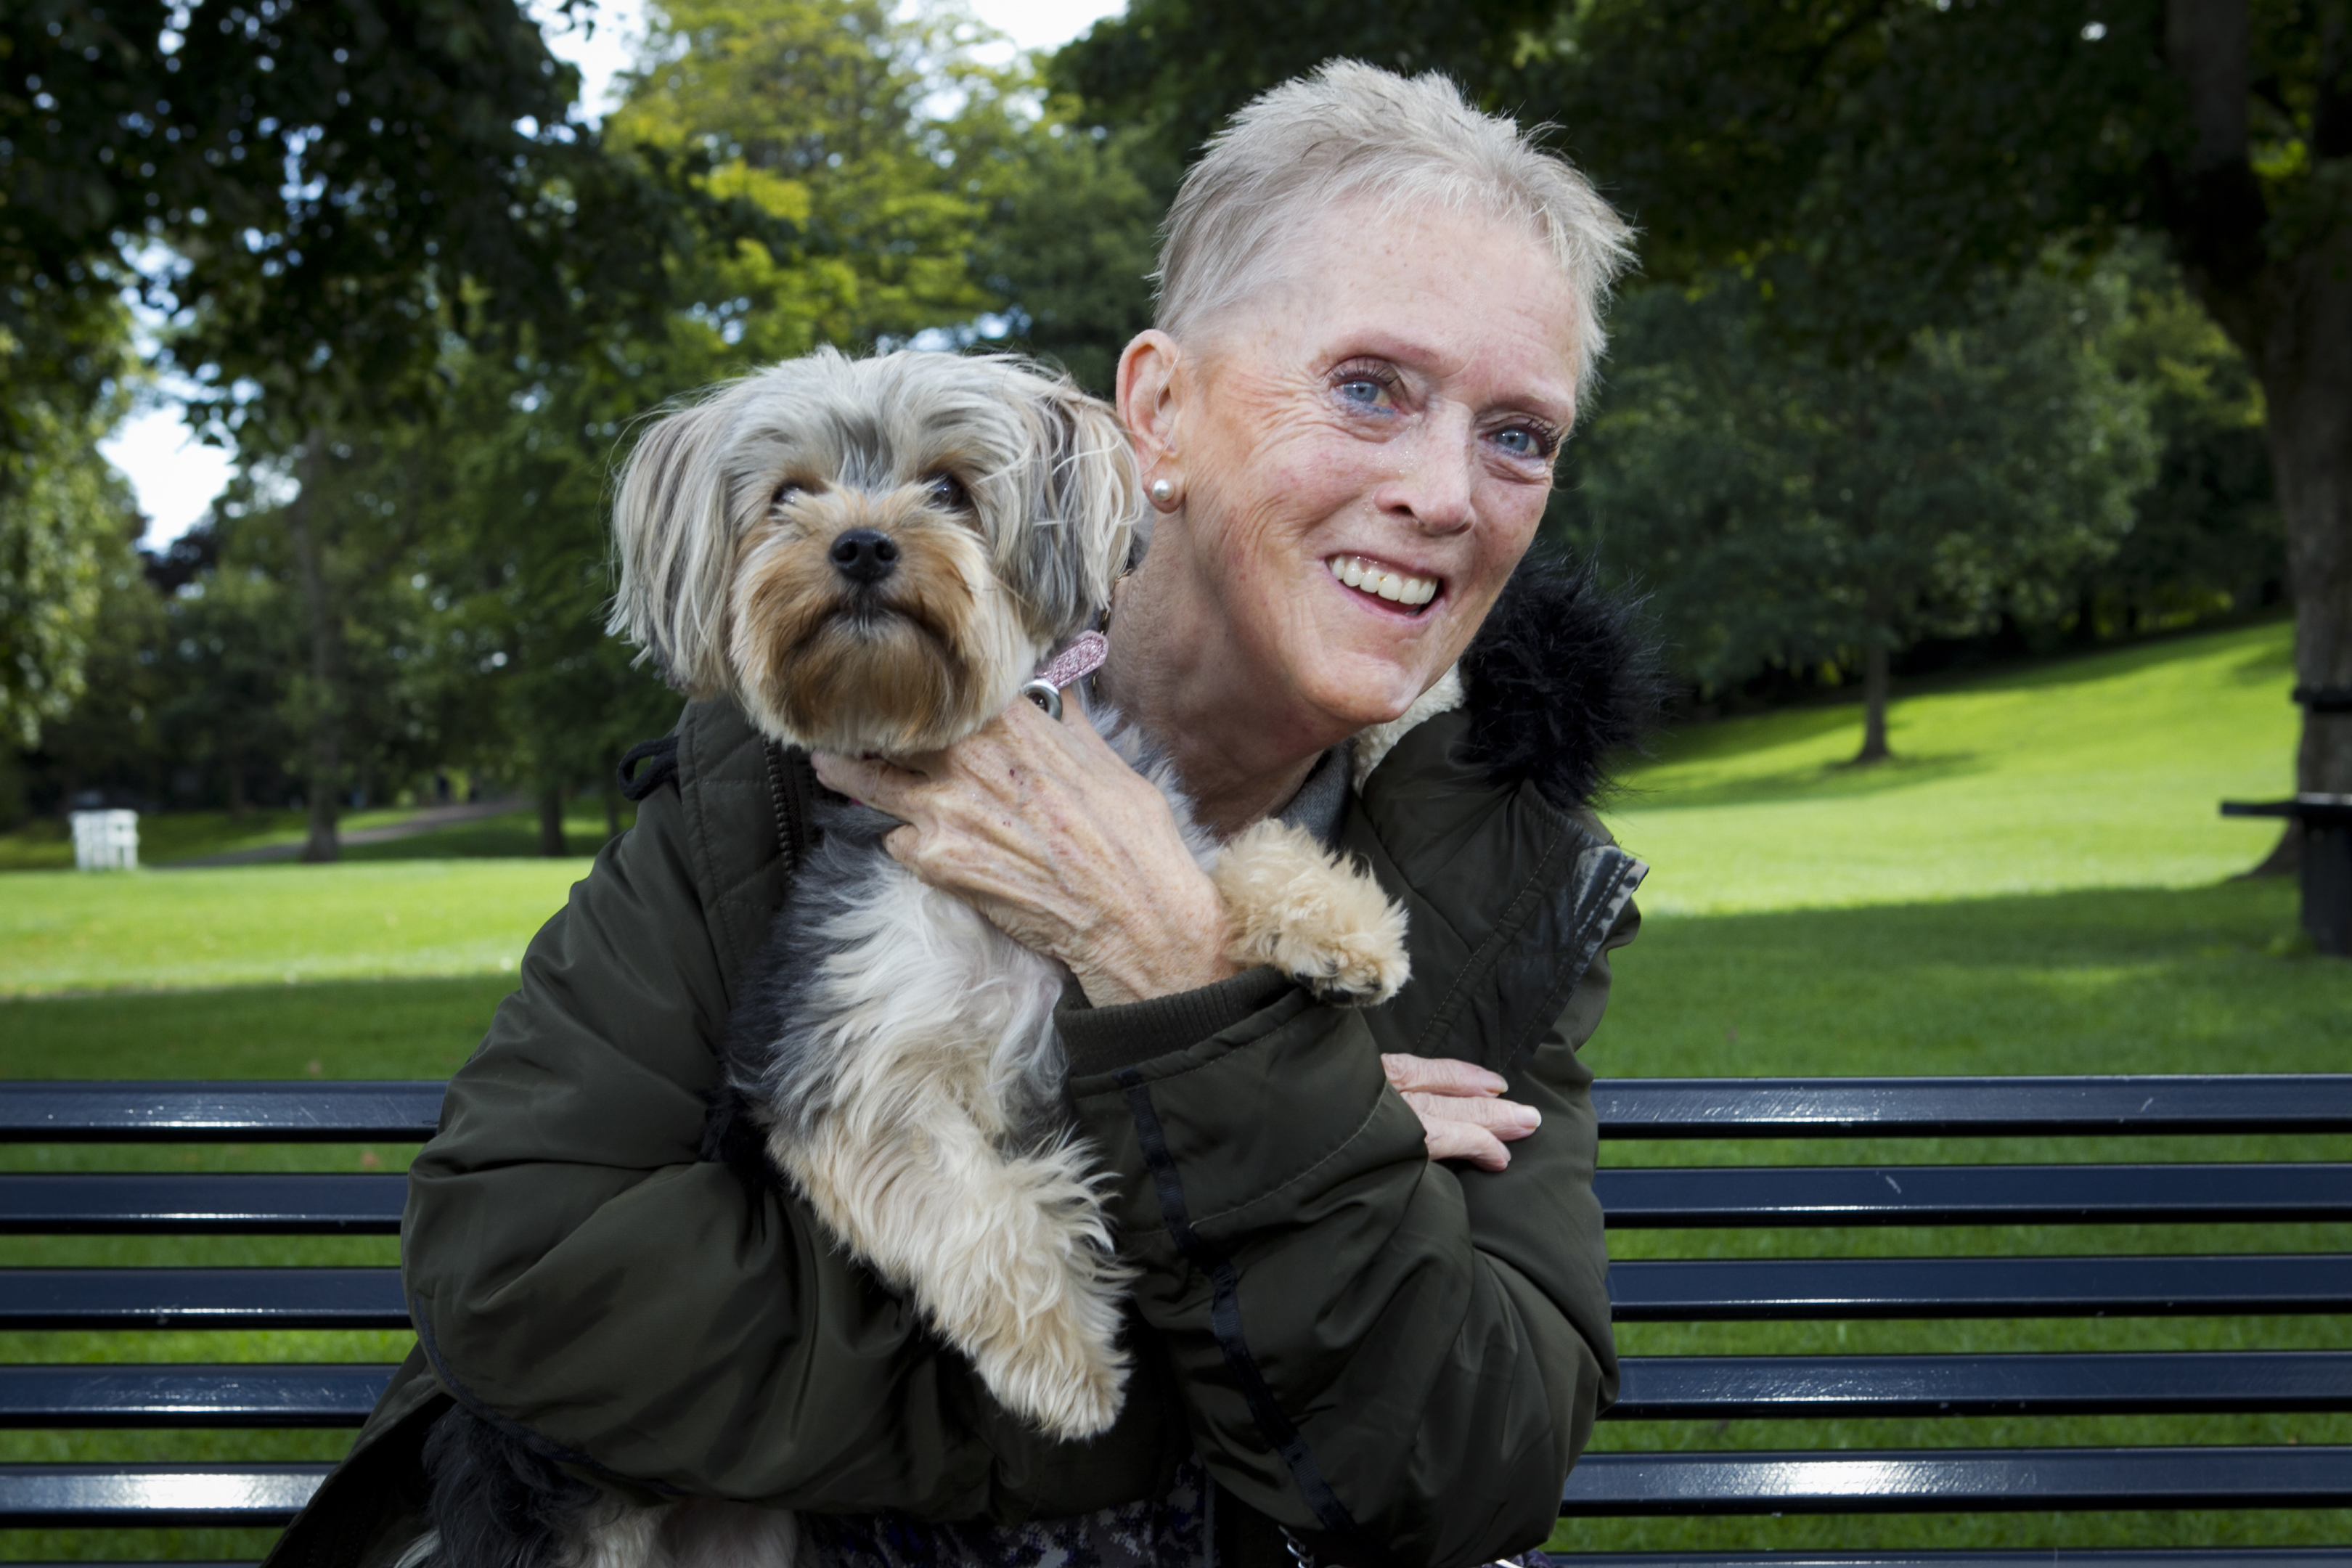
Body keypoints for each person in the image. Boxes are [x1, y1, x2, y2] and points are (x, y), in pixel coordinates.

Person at [266, 60, 1649, 1568]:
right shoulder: (788, 777)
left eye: (1519, 435)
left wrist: (1179, 967)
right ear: (1158, 418)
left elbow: (1477, 1453)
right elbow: (528, 1273)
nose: (1448, 493)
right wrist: (1223, 1299)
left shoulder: (1502, 873)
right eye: (1369, 389)